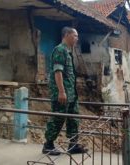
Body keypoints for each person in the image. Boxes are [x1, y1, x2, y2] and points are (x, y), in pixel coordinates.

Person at [42, 27, 87, 155]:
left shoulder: (68, 52)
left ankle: (73, 145)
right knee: (58, 117)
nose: (77, 38)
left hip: (71, 94)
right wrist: (61, 91)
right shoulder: (60, 50)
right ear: (66, 35)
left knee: (74, 118)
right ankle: (48, 145)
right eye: (75, 36)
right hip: (62, 93)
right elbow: (58, 72)